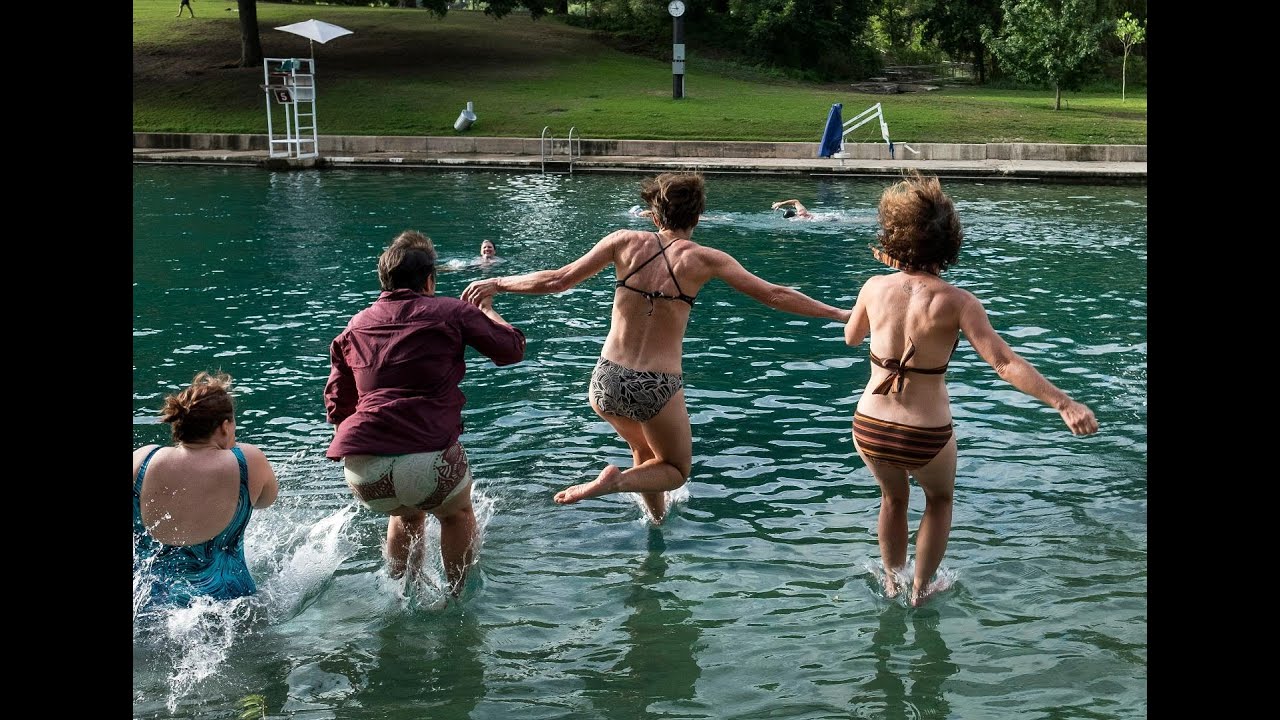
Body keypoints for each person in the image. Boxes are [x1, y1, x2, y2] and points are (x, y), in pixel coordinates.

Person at [461, 172, 851, 523]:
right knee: (677, 470)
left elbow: (557, 280)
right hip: (657, 383)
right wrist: (840, 313)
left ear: (653, 215)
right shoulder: (706, 259)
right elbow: (775, 295)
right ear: (697, 217)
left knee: (644, 451)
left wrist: (499, 283)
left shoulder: (622, 242)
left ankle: (656, 518)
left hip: (606, 380)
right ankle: (613, 483)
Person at [844, 171, 1098, 607]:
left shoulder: (874, 287)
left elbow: (852, 336)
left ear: (894, 237)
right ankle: (920, 589)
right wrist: (1063, 401)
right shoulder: (959, 302)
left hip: (870, 425)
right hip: (924, 434)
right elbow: (1003, 363)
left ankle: (891, 579)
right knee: (939, 500)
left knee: (892, 497)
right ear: (950, 242)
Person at [325, 229, 526, 595]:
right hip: (428, 464)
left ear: (383, 279)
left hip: (362, 469)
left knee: (405, 511)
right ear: (430, 280)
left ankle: (400, 592)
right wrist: (488, 310)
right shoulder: (450, 311)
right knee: (456, 514)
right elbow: (510, 350)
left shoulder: (355, 324)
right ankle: (459, 600)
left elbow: (338, 403)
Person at [133, 371, 279, 608]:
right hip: (232, 604)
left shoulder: (141, 460)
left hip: (151, 604)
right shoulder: (247, 461)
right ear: (224, 426)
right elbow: (266, 500)